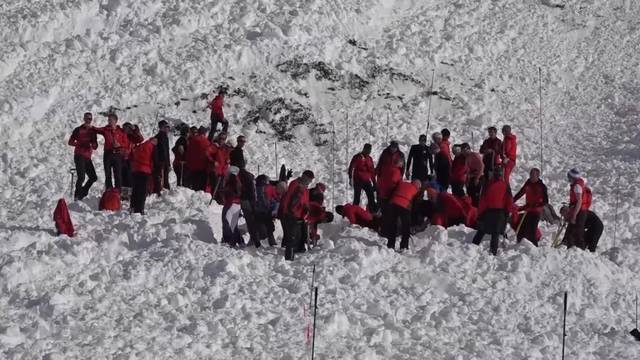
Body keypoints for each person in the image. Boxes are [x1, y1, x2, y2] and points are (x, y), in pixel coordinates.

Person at [472, 167, 513, 255]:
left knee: (482, 230)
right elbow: (509, 200)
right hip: (500, 213)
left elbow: (483, 200)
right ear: (501, 175)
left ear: (493, 174)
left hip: (489, 211)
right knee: (496, 233)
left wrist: (480, 213)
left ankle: (472, 247)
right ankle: (493, 252)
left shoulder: (487, 184)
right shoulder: (505, 185)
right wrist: (508, 212)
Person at [280, 170, 314, 260]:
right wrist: (287, 211)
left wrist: (306, 208)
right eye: (309, 180)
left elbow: (305, 201)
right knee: (291, 236)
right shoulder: (295, 184)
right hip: (291, 214)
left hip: (300, 215)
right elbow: (289, 199)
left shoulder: (305, 188)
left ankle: (298, 252)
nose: (310, 182)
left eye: (310, 181)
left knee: (298, 235)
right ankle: (289, 258)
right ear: (304, 177)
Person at [513, 168, 548, 246]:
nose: (531, 177)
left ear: (537, 176)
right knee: (522, 229)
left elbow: (546, 201)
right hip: (528, 210)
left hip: (536, 211)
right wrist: (513, 200)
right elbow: (521, 192)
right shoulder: (528, 182)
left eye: (533, 175)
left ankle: (535, 248)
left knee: (531, 232)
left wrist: (536, 204)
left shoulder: (541, 186)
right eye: (530, 175)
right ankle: (519, 246)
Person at [383, 180, 422, 250]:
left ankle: (390, 245)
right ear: (418, 187)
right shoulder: (416, 191)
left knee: (393, 225)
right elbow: (416, 205)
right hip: (405, 206)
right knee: (406, 227)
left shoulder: (402, 183)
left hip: (393, 203)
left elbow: (392, 191)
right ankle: (404, 246)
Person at [68, 112, 98, 200]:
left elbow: (95, 146)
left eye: (90, 119)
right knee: (81, 177)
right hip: (79, 155)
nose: (88, 120)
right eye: (87, 118)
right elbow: (70, 142)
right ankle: (77, 196)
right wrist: (79, 144)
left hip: (87, 157)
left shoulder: (93, 131)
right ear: (84, 119)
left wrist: (93, 144)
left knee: (93, 177)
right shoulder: (78, 130)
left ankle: (82, 193)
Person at [95, 113, 128, 189]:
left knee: (118, 175)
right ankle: (109, 191)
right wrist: (91, 127)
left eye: (110, 120)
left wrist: (119, 145)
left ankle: (118, 193)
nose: (109, 121)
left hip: (117, 154)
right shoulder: (106, 129)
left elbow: (126, 143)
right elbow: (97, 129)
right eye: (108, 120)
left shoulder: (121, 131)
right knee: (108, 174)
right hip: (107, 154)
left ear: (115, 121)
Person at [563, 169, 592, 249]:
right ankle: (571, 249)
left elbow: (579, 201)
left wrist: (574, 215)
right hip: (580, 210)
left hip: (580, 212)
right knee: (572, 231)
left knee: (577, 233)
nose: (568, 179)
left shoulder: (577, 186)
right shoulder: (580, 183)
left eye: (569, 177)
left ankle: (580, 250)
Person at [130, 138, 158, 214]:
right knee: (142, 191)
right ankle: (139, 209)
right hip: (145, 170)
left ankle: (132, 207)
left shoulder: (142, 145)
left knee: (135, 189)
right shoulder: (152, 147)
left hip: (135, 169)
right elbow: (155, 160)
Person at [376, 141, 405, 212]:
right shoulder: (385, 152)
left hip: (395, 178)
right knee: (382, 195)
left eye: (395, 148)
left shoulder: (400, 154)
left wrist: (401, 176)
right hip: (384, 177)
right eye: (392, 147)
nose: (393, 149)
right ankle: (381, 211)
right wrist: (378, 172)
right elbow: (380, 163)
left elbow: (402, 167)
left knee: (393, 194)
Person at [348, 144, 377, 212]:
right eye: (367, 149)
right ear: (364, 149)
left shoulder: (369, 159)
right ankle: (354, 212)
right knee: (357, 198)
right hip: (358, 180)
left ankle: (372, 213)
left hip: (367, 180)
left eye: (369, 150)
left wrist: (374, 183)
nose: (368, 151)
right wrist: (350, 178)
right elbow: (351, 167)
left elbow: (372, 171)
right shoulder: (357, 157)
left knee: (371, 197)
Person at [185, 127, 212, 191]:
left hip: (192, 167)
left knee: (194, 185)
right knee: (201, 186)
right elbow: (208, 155)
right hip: (203, 167)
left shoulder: (192, 140)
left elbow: (188, 153)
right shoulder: (207, 142)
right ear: (204, 133)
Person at [120, 123, 144, 199]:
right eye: (124, 128)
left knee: (129, 177)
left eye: (127, 128)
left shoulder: (132, 136)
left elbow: (140, 139)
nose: (125, 130)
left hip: (131, 159)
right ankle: (124, 194)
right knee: (123, 177)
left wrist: (135, 130)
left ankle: (130, 194)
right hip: (122, 158)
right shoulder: (121, 135)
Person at [222, 166, 243, 247]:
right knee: (233, 224)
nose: (226, 174)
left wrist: (224, 192)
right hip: (237, 204)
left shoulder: (232, 181)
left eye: (228, 172)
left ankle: (228, 240)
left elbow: (230, 192)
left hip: (230, 204)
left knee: (226, 223)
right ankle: (239, 241)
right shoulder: (238, 181)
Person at [255, 175, 279, 246]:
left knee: (258, 228)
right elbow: (276, 198)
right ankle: (272, 243)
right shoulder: (270, 188)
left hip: (258, 211)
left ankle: (256, 244)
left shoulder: (254, 188)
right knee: (269, 229)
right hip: (267, 211)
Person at [239, 168, 260, 247]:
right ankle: (255, 239)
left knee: (249, 220)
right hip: (252, 200)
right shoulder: (250, 176)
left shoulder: (240, 175)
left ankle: (254, 240)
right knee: (251, 221)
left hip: (244, 200)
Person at [211, 132, 231, 202]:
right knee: (215, 186)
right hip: (215, 170)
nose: (221, 140)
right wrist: (213, 161)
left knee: (221, 187)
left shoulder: (226, 148)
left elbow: (227, 158)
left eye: (223, 139)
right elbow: (208, 154)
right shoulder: (214, 146)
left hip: (223, 170)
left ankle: (219, 201)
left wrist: (228, 160)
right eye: (220, 138)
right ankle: (214, 199)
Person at [153, 120, 171, 194]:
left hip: (161, 161)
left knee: (162, 177)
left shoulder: (161, 136)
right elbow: (164, 151)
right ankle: (161, 192)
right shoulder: (161, 137)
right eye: (166, 127)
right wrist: (167, 163)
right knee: (162, 178)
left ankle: (162, 191)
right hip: (162, 162)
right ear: (162, 127)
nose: (168, 129)